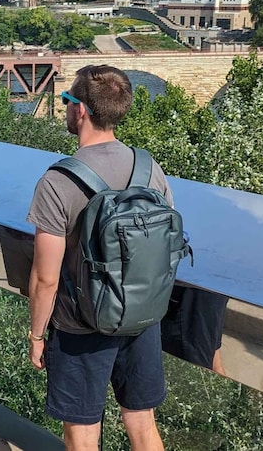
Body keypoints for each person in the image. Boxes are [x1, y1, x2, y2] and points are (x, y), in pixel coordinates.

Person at [26, 65, 171, 451]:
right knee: (142, 424)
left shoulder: (59, 181)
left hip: (80, 326)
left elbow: (45, 278)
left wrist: (36, 336)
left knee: (82, 433)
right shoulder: (149, 168)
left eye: (67, 101)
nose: (66, 108)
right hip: (141, 317)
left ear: (82, 111)